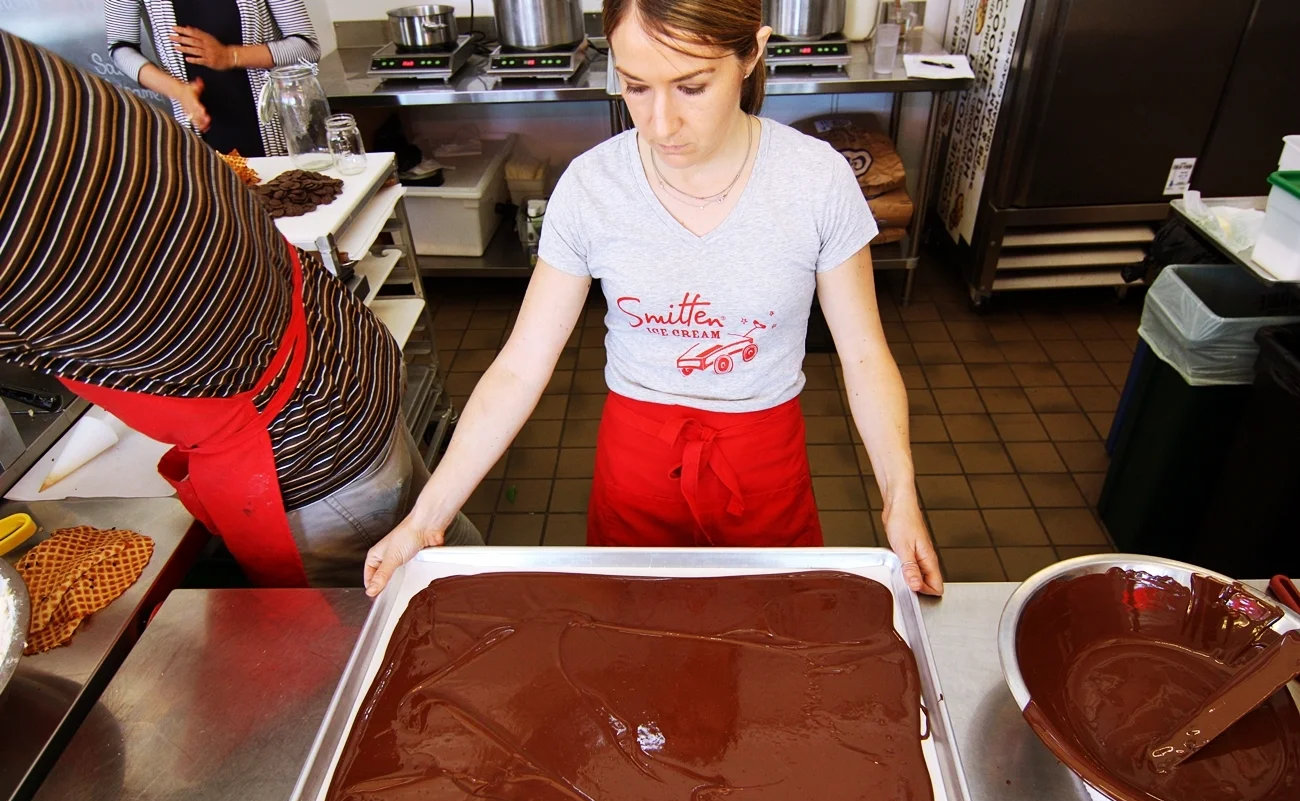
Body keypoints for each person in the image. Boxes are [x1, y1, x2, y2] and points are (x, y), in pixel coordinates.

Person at [364, 0, 944, 597]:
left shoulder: (815, 181)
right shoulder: (593, 187)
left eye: (692, 87)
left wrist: (900, 495)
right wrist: (426, 518)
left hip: (763, 466)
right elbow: (520, 367)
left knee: (770, 629)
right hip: (637, 467)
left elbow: (864, 356)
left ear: (751, 53)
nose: (660, 124)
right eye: (636, 87)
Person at [0, 30, 480, 587]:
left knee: (376, 617)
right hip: (347, 357)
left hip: (305, 447)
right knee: (440, 546)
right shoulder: (24, 74)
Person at [106, 0, 320, 156]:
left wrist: (230, 56)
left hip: (274, 125)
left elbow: (307, 47)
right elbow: (121, 49)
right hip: (198, 126)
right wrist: (178, 91)